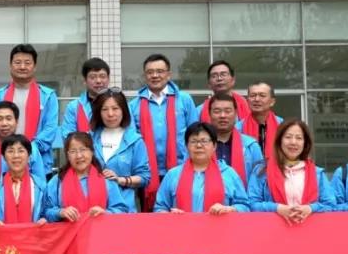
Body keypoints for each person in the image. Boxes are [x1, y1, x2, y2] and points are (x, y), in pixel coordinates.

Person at [128, 54, 195, 211]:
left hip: (180, 168)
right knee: (151, 217)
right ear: (144, 76)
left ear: (168, 74)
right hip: (148, 172)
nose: (155, 75)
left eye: (160, 71)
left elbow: (195, 133)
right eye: (150, 72)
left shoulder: (184, 100)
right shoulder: (134, 105)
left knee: (181, 213)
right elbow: (133, 141)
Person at [0, 44, 60, 172]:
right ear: (10, 66)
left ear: (34, 66)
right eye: (18, 62)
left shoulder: (47, 96)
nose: (22, 67)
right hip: (3, 161)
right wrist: (6, 149)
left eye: (27, 63)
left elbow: (50, 128)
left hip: (38, 161)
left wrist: (28, 149)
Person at [247, 118, 336, 223]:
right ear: (279, 140)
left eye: (299, 138)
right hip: (271, 229)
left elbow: (330, 205)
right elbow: (252, 204)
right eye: (288, 137)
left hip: (309, 229)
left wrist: (311, 208)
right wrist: (277, 208)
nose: (293, 142)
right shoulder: (262, 170)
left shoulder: (317, 174)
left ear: (305, 143)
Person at [153, 122, 250, 214]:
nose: (199, 145)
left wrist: (229, 209)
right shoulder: (173, 175)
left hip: (220, 226)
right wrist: (169, 214)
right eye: (194, 141)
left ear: (214, 146)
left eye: (204, 141)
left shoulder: (229, 174)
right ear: (186, 146)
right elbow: (159, 208)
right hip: (180, 226)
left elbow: (244, 206)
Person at [89, 89, 149, 212]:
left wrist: (120, 180)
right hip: (92, 207)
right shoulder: (88, 139)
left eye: (115, 108)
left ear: (124, 110)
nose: (110, 114)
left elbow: (144, 177)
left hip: (124, 208)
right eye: (105, 109)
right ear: (98, 112)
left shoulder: (135, 140)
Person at [0, 101, 47, 188]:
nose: (4, 123)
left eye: (8, 119)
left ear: (16, 121)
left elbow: (40, 186)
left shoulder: (30, 149)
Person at [208, 93, 263, 187]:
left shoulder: (251, 146)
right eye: (217, 111)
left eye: (228, 111)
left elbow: (259, 183)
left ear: (236, 113)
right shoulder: (200, 145)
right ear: (209, 114)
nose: (222, 115)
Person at [60, 57, 110, 142]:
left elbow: (128, 134)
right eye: (93, 77)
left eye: (102, 76)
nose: (98, 81)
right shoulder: (74, 107)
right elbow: (68, 137)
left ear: (108, 79)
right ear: (84, 80)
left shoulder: (119, 105)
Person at [239, 81, 282, 157]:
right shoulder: (238, 128)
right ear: (247, 100)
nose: (257, 99)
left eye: (262, 96)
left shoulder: (282, 126)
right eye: (253, 95)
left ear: (272, 101)